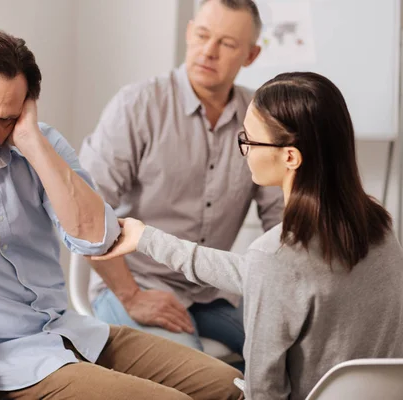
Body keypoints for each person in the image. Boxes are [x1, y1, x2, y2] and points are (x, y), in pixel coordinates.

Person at [0, 30, 243, 400]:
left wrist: (30, 140)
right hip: (4, 366)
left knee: (231, 386)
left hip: (73, 332)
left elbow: (96, 238)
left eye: (6, 119)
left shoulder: (40, 145)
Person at [91, 71, 403, 400]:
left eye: (249, 141)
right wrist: (146, 239)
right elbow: (269, 277)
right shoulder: (380, 227)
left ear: (290, 156)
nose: (245, 151)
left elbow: (263, 392)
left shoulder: (276, 256)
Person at [79, 0, 283, 362]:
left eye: (227, 44)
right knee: (194, 372)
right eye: (203, 36)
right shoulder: (137, 105)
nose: (209, 51)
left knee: (291, 350)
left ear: (250, 55)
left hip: (211, 290)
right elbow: (85, 211)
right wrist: (131, 297)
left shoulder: (259, 119)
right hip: (135, 283)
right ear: (189, 33)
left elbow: (282, 220)